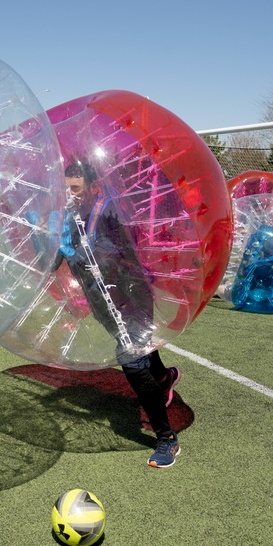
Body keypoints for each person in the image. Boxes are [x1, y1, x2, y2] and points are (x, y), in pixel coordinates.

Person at [57, 161, 182, 468]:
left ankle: (167, 438)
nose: (68, 195)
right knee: (141, 352)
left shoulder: (110, 209)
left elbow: (124, 253)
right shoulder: (67, 219)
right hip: (103, 302)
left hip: (131, 295)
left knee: (132, 360)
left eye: (75, 188)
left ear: (91, 187)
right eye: (64, 188)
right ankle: (166, 378)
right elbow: (54, 262)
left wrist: (90, 251)